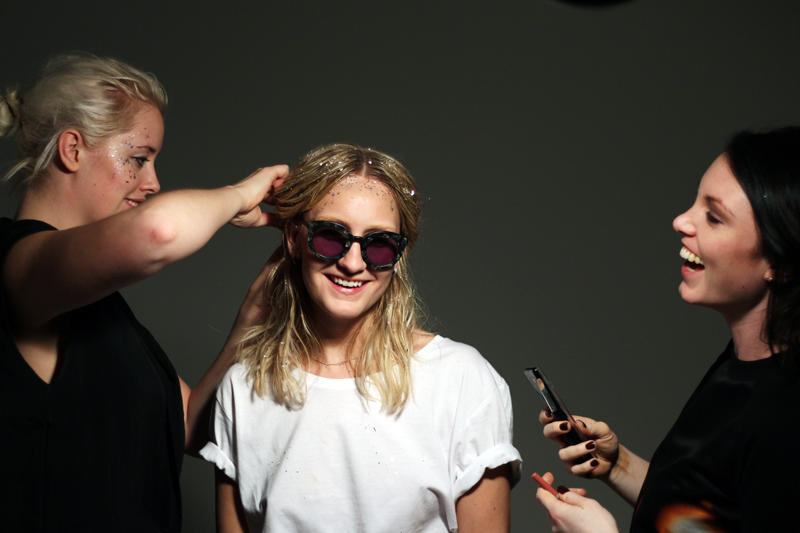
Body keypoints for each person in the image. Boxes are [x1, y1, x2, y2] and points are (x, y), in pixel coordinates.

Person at [0, 53, 288, 532]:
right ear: (72, 149)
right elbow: (160, 231)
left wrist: (249, 321)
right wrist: (241, 195)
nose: (152, 182)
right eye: (138, 158)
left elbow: (193, 425)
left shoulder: (101, 307)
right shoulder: (16, 264)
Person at [200, 143, 522, 533]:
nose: (352, 264)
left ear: (399, 255)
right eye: (330, 236)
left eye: (379, 244)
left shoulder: (461, 380)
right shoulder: (243, 387)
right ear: (294, 239)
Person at [535, 127, 800, 533]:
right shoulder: (741, 364)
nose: (680, 221)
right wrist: (619, 465)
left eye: (714, 217)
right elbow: (707, 514)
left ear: (782, 265)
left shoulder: (785, 422)